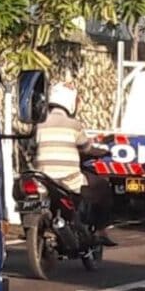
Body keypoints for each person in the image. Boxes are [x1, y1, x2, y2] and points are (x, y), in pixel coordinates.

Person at [32, 84, 115, 244]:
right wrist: (103, 152)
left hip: (43, 177)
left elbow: (31, 147)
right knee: (103, 186)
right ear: (70, 102)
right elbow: (87, 148)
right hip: (68, 178)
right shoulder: (74, 125)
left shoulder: (38, 124)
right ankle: (101, 230)